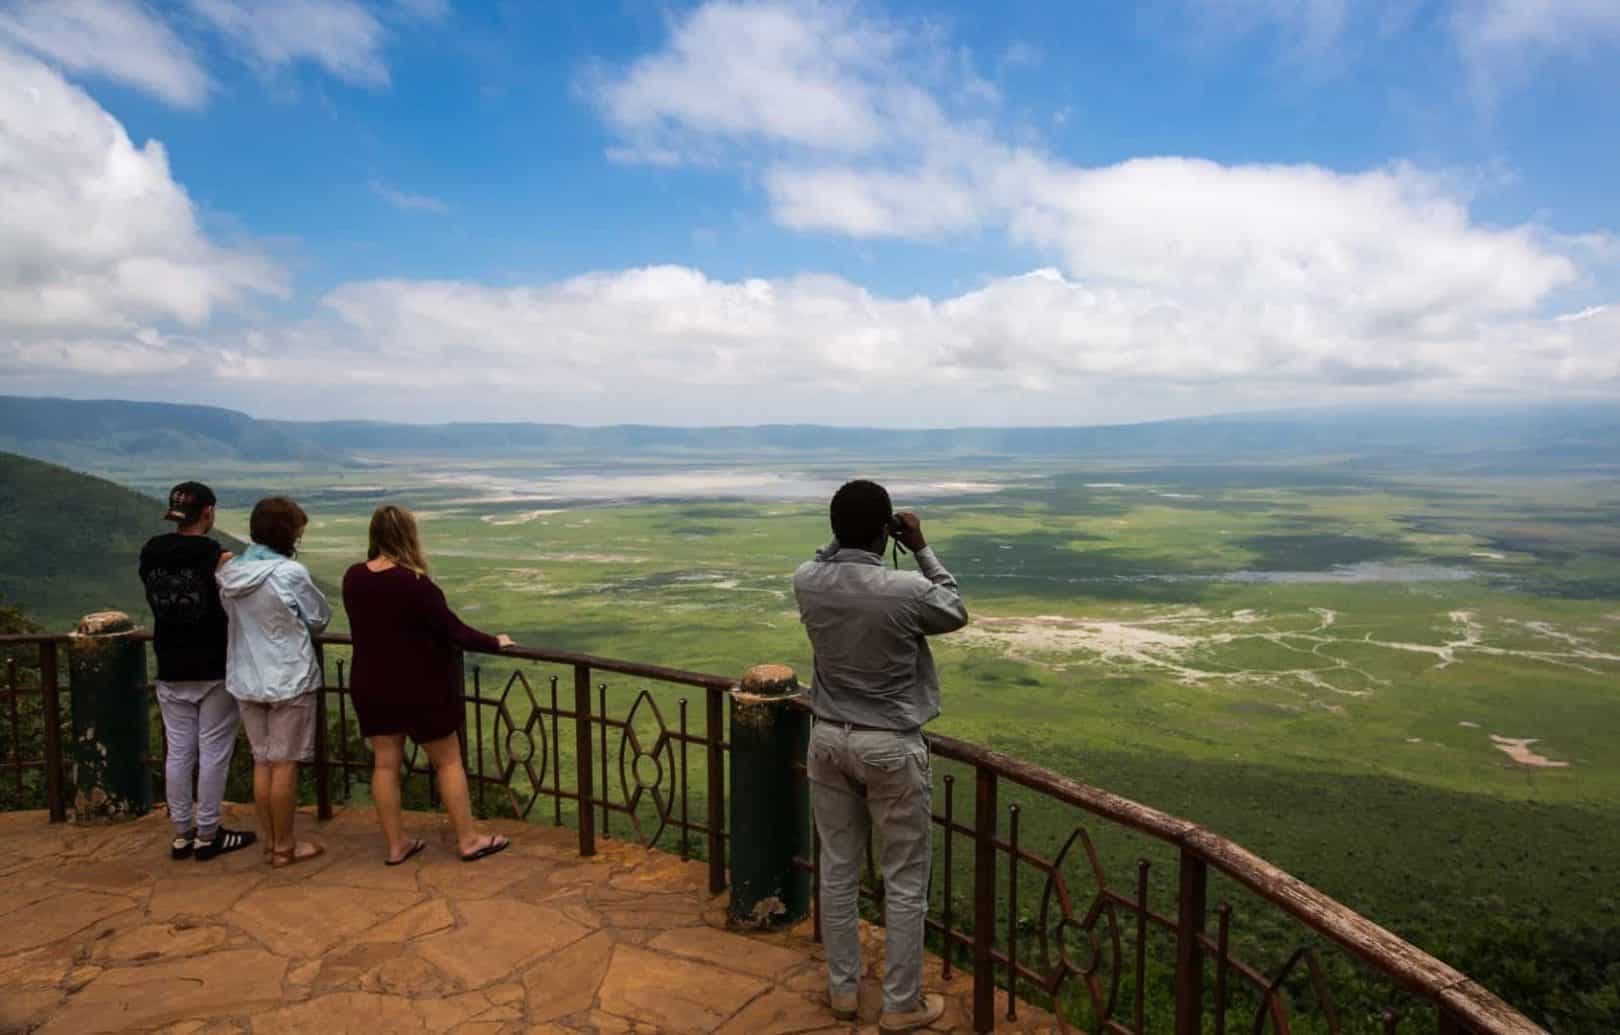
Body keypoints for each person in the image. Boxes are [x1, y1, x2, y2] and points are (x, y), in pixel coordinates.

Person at [793, 479, 969, 1033]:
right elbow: (955, 608)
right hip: (890, 745)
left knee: (838, 871)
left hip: (827, 738)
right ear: (884, 529)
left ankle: (843, 994)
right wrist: (919, 545)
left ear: (833, 528)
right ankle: (900, 1005)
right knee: (905, 879)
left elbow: (826, 558)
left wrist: (844, 541)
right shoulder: (906, 590)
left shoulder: (808, 581)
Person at [341, 505, 514, 865]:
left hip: (371, 684)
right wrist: (494, 642)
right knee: (448, 762)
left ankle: (395, 844)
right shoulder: (416, 584)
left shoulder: (354, 577)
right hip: (421, 687)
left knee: (385, 765)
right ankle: (467, 839)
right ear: (409, 536)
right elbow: (454, 630)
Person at [138, 481, 256, 861]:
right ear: (208, 513)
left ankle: (181, 833)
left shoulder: (151, 553)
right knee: (214, 751)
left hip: (170, 663)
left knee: (179, 751)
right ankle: (208, 833)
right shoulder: (217, 557)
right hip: (213, 665)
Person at [218, 497, 331, 868]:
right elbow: (318, 618)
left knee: (262, 762)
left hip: (246, 677)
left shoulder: (230, 573)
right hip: (288, 676)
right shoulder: (289, 574)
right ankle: (285, 846)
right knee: (284, 764)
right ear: (287, 534)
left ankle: (270, 843)